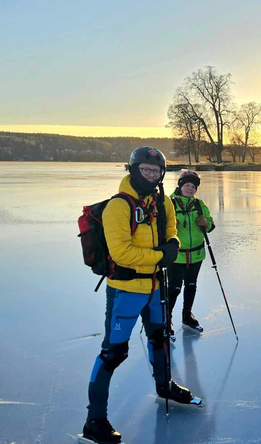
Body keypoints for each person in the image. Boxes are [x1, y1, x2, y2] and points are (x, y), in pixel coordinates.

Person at [82, 147, 202, 444]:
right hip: (125, 291)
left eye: (156, 171)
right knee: (113, 353)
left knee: (159, 338)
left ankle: (164, 386)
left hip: (154, 288)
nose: (151, 175)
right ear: (134, 170)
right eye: (145, 169)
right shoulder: (118, 207)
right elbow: (121, 253)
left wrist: (172, 244)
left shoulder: (163, 203)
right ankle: (94, 420)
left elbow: (171, 229)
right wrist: (162, 255)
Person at [167, 170, 215, 337]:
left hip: (196, 254)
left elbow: (210, 224)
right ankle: (167, 319)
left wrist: (205, 223)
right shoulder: (169, 203)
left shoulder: (199, 205)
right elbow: (159, 228)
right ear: (180, 186)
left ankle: (187, 315)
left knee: (191, 286)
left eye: (193, 186)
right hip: (176, 255)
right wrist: (171, 225)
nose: (190, 188)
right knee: (173, 288)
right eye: (187, 185)